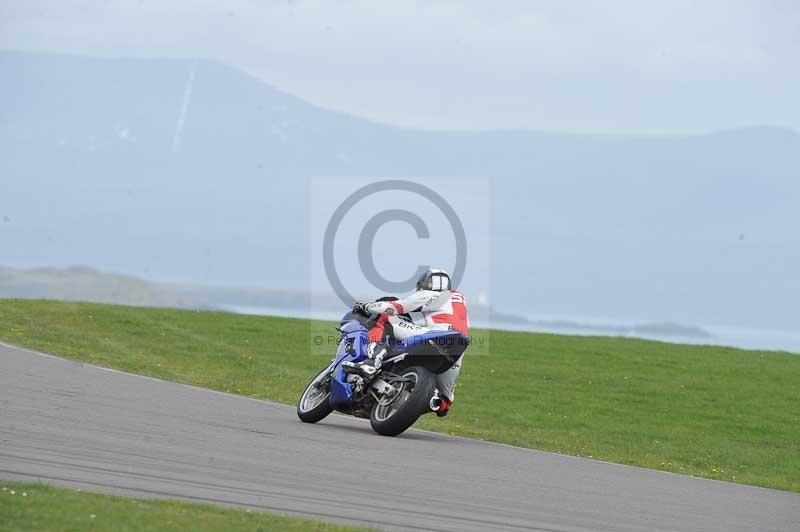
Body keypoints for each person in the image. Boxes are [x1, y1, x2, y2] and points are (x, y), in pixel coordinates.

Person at [348, 268, 469, 417]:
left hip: (435, 335)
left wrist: (366, 306)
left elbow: (395, 307)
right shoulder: (460, 298)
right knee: (444, 403)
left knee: (386, 318)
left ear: (427, 283)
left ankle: (371, 362)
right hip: (457, 347)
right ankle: (436, 399)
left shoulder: (429, 294)